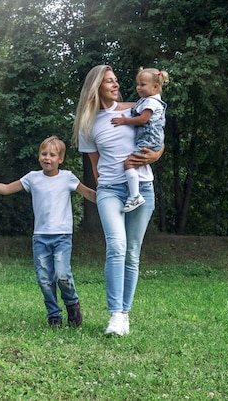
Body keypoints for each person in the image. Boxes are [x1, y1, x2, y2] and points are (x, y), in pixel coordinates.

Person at [72, 65, 164, 336]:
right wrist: (102, 189)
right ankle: (114, 315)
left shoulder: (135, 109)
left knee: (132, 252)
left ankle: (125, 314)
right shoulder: (87, 124)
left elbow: (158, 139)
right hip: (111, 191)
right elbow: (95, 167)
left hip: (142, 188)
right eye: (109, 82)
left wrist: (154, 157)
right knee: (117, 246)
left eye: (115, 81)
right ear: (96, 87)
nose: (116, 85)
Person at [0, 136, 96, 328]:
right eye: (44, 153)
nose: (47, 158)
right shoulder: (33, 178)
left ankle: (73, 305)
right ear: (39, 156)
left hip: (62, 236)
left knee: (62, 274)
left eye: (52, 155)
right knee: (44, 279)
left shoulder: (67, 177)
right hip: (40, 237)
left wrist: (112, 198)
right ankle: (53, 315)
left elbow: (89, 194)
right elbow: (7, 189)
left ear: (61, 159)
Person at [111, 68, 168, 213]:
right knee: (131, 163)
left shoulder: (151, 102)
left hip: (149, 140)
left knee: (129, 163)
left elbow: (143, 120)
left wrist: (125, 121)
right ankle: (135, 194)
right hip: (151, 139)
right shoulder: (148, 100)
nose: (138, 88)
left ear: (155, 87)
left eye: (142, 84)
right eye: (138, 84)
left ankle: (135, 195)